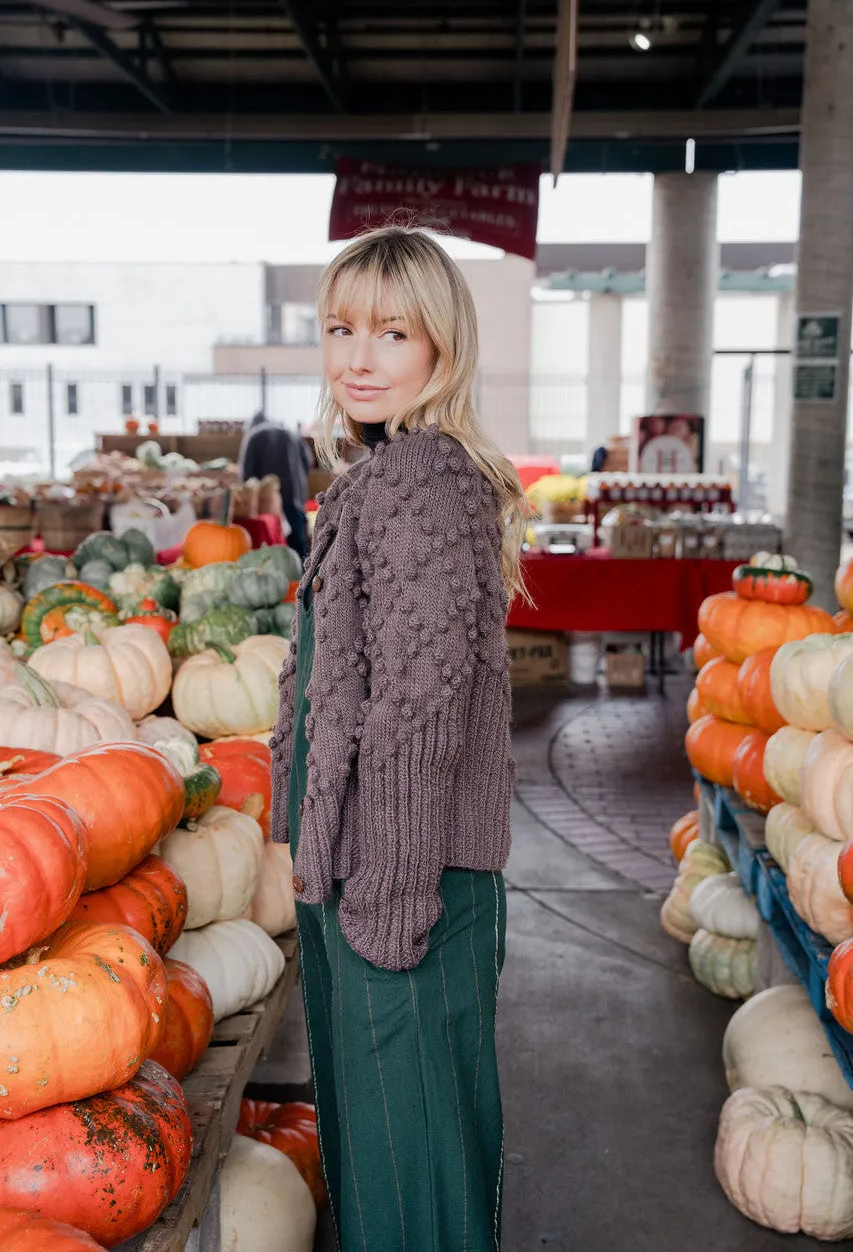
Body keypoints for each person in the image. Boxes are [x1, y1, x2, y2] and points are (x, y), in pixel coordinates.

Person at [269, 225, 527, 1251]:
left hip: (400, 871)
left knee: (407, 1152)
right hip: (380, 860)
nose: (357, 356)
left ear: (441, 349)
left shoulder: (417, 479)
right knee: (405, 1137)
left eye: (390, 332)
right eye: (339, 329)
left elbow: (418, 706)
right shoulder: (386, 471)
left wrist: (384, 892)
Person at [238, 410, 309, 559]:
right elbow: (308, 462)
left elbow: (246, 476)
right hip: (295, 497)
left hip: (268, 505)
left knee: (276, 553)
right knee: (298, 546)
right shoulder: (290, 433)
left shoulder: (253, 436)